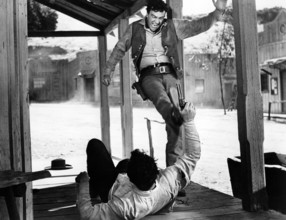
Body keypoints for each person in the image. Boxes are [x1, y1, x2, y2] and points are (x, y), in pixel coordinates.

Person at [102, 0, 227, 167]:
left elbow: (198, 25)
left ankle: (173, 174)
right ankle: (176, 116)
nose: (156, 21)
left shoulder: (172, 26)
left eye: (160, 18)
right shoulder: (134, 28)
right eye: (153, 16)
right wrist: (108, 70)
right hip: (149, 77)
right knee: (165, 104)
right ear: (147, 14)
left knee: (176, 124)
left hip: (170, 75)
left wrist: (216, 13)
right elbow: (119, 48)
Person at [76, 102, 201, 220]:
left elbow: (87, 215)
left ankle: (94, 188)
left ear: (130, 179)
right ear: (156, 171)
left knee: (95, 145)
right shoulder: (169, 182)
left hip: (111, 189)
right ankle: (121, 168)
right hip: (142, 193)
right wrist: (189, 121)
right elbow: (193, 154)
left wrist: (83, 183)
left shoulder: (124, 205)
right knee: (124, 163)